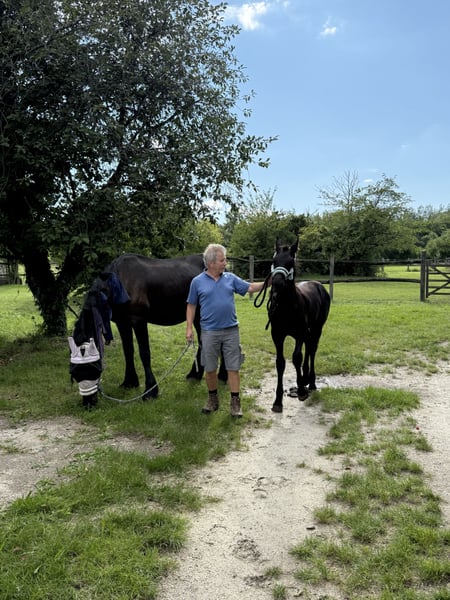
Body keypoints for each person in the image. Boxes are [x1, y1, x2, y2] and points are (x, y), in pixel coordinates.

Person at [186, 243, 269, 417]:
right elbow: (191, 305)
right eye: (222, 260)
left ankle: (235, 402)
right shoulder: (197, 282)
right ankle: (212, 399)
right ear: (211, 263)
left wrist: (269, 282)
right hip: (209, 332)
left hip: (231, 331)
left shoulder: (230, 278)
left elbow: (250, 287)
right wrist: (189, 328)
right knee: (210, 369)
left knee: (233, 367)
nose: (226, 263)